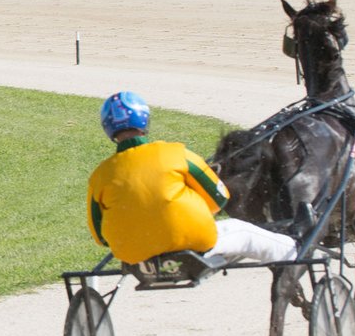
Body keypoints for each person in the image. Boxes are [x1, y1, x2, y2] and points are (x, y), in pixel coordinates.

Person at [87, 92, 302, 267]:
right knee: (244, 231)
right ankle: (298, 253)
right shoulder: (176, 153)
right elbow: (219, 199)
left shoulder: (99, 175)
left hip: (132, 253)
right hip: (193, 241)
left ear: (108, 128)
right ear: (145, 120)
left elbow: (100, 237)